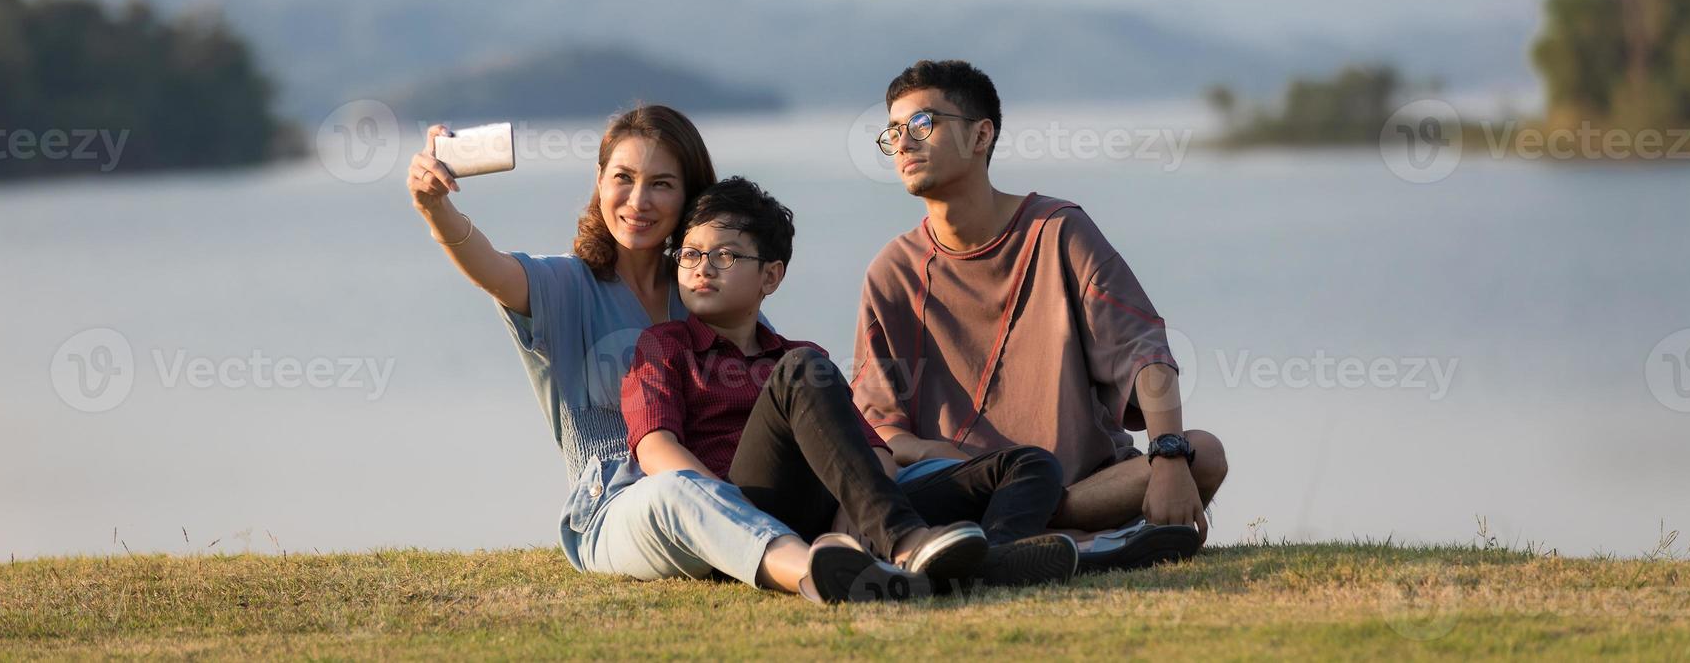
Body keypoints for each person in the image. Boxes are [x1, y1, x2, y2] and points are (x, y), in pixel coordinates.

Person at [407, 105, 821, 594]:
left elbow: (773, 389)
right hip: (619, 509)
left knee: (909, 474)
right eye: (623, 177)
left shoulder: (706, 285)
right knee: (676, 491)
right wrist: (435, 207)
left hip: (732, 492)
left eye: (662, 184)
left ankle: (906, 543)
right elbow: (489, 268)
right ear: (600, 180)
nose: (638, 200)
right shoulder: (565, 285)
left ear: (690, 197)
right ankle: (817, 574)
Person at [621, 176, 1079, 602]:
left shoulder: (794, 354)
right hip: (744, 509)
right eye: (690, 254)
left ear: (770, 277)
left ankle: (988, 561)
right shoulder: (664, 346)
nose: (703, 268)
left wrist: (856, 508)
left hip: (831, 510)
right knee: (804, 370)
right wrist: (730, 519)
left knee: (1029, 464)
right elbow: (656, 447)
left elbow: (875, 450)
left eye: (725, 256)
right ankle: (906, 542)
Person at [850, 60, 1230, 570]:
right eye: (893, 132)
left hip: (1080, 487)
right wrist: (932, 453)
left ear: (981, 134)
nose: (904, 143)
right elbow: (876, 422)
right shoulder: (892, 271)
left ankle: (1033, 536)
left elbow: (1143, 349)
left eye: (922, 124)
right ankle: (1073, 542)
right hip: (968, 490)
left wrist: (1166, 451)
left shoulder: (1058, 231)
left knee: (1201, 453)